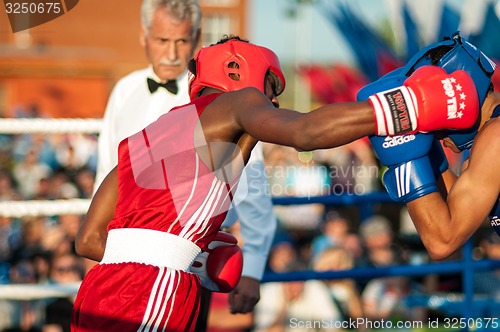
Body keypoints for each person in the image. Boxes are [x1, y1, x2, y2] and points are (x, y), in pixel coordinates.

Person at [71, 35, 481, 331]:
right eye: (271, 86)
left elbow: (89, 239)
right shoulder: (235, 102)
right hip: (151, 293)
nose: (274, 101)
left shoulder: (140, 139)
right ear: (240, 73)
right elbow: (305, 132)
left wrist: (189, 256)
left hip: (98, 291)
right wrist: (411, 106)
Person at [93, 0, 278, 321]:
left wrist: (253, 267)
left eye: (181, 41)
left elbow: (255, 185)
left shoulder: (221, 95)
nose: (172, 53)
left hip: (195, 255)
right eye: (162, 40)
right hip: (122, 256)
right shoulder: (125, 90)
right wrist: (97, 241)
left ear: (196, 39)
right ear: (144, 36)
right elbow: (106, 171)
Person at [356, 32, 500, 262]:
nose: (433, 132)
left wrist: (406, 159)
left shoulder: (496, 136)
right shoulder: (488, 142)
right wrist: (425, 152)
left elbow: (442, 242)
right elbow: (455, 208)